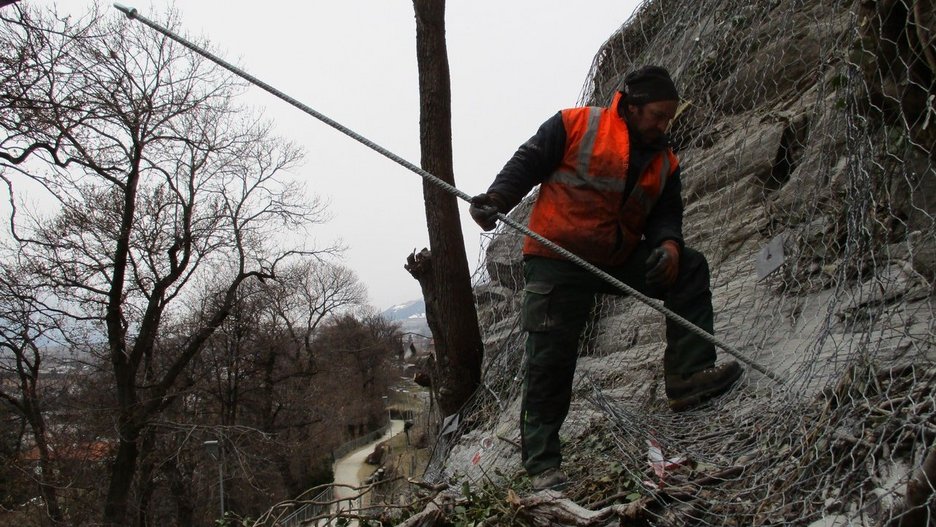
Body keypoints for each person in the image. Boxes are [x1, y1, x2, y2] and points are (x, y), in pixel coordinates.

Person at [469, 65, 743, 491]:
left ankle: (688, 378)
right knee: (550, 360)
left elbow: (667, 215)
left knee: (688, 266)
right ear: (632, 107)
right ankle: (542, 463)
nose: (663, 124)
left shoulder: (665, 161)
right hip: (556, 258)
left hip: (616, 256)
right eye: (657, 115)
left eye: (669, 117)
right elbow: (528, 161)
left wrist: (669, 246)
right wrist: (497, 199)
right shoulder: (575, 124)